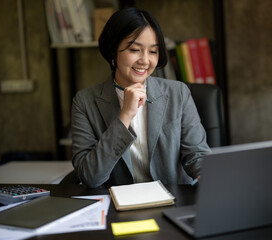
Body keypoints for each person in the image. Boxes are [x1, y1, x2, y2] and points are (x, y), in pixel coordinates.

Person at [71, 7, 210, 188]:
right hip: (119, 208)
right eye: (135, 49)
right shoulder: (85, 102)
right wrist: (125, 116)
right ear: (113, 51)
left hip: (172, 201)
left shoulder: (178, 93)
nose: (145, 60)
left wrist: (209, 177)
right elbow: (90, 176)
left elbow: (197, 156)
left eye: (153, 51)